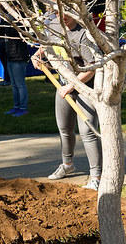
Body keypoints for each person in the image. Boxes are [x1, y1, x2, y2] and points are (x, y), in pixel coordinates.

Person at [33, 12, 101, 191]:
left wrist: (72, 85)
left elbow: (91, 68)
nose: (62, 16)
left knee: (87, 132)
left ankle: (96, 176)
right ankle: (68, 164)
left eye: (67, 12)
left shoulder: (83, 35)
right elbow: (47, 45)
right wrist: (37, 54)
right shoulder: (54, 25)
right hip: (63, 85)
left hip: (86, 87)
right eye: (58, 12)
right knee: (64, 128)